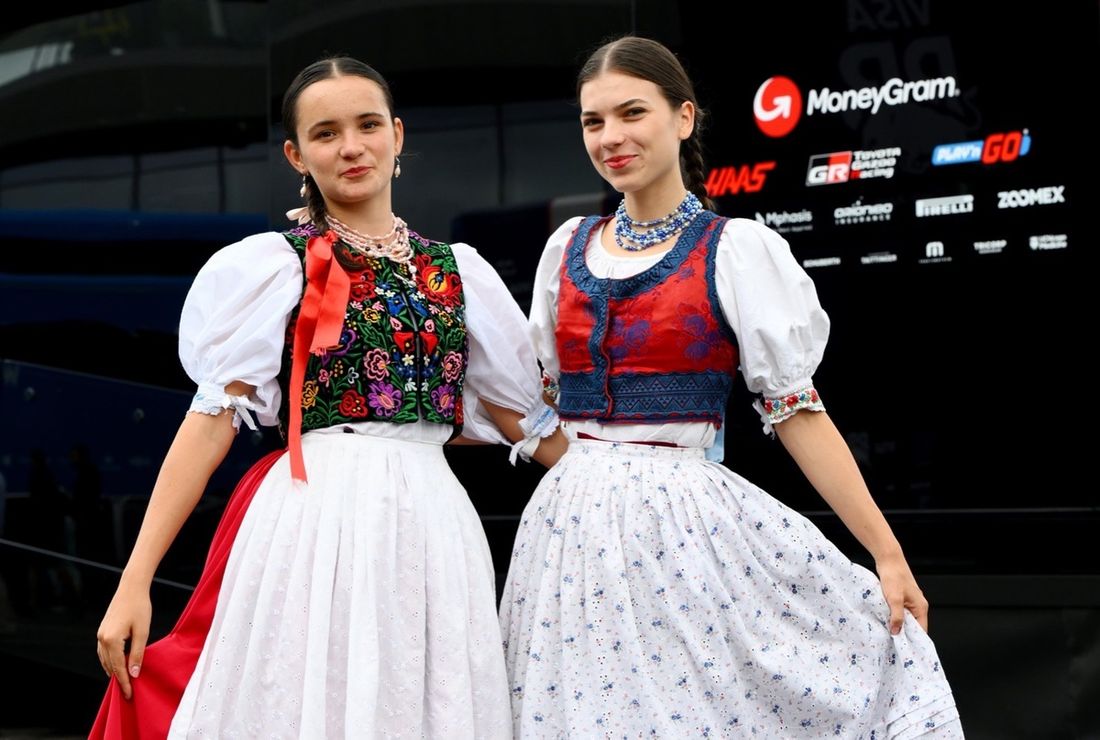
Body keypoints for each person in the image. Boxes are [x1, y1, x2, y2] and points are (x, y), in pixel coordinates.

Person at [499, 36, 963, 737]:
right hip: (567, 533)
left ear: (683, 117)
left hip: (682, 531)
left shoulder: (736, 249)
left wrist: (887, 553)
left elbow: (798, 412)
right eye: (594, 121)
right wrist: (582, 472)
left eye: (632, 112)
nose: (611, 136)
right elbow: (539, 399)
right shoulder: (566, 246)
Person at [91, 55, 566, 738]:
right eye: (326, 132)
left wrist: (622, 483)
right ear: (297, 155)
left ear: (397, 135)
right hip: (316, 522)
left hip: (433, 523)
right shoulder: (276, 265)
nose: (351, 146)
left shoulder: (459, 271)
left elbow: (522, 419)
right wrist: (134, 580)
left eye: (368, 125)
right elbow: (211, 421)